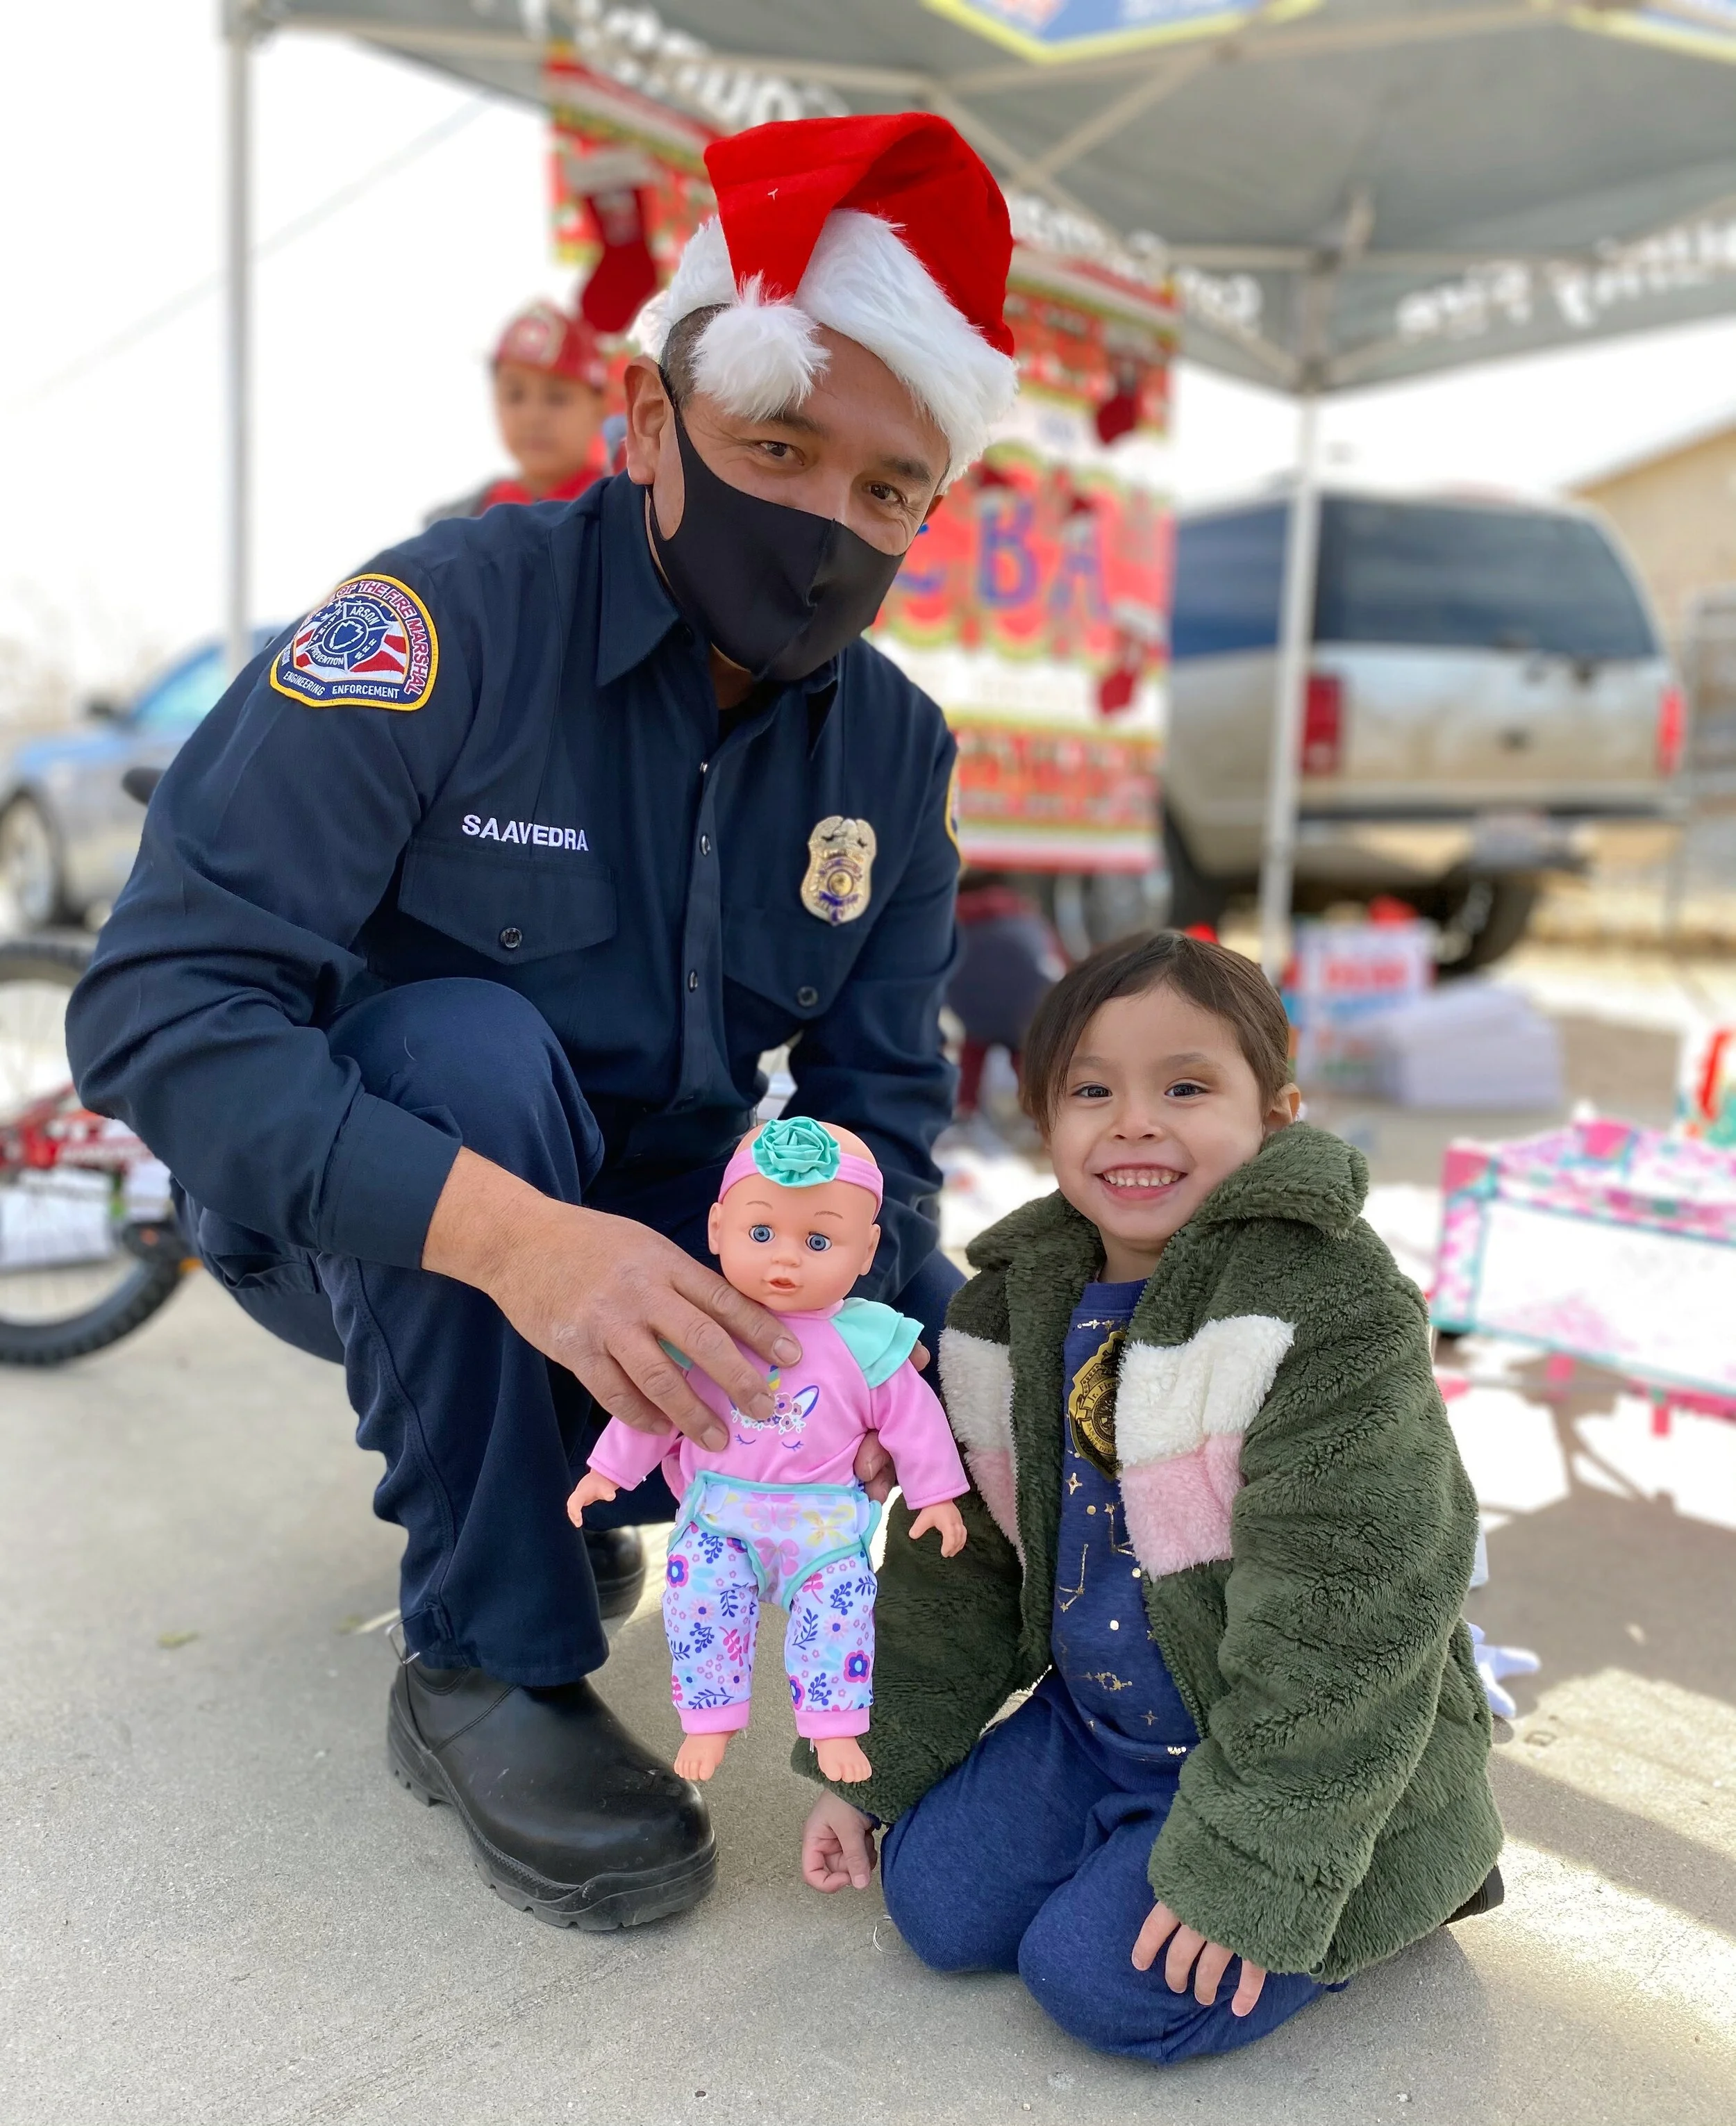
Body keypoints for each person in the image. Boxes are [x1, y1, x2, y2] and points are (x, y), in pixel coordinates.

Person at [65, 112, 1019, 1932]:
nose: (827, 522)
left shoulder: (887, 745)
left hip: (668, 1198)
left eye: (889, 489)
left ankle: (579, 1482)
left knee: (969, 1350)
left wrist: (868, 1333)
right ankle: (481, 1656)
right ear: (651, 422)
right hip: (371, 1211)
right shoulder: (435, 623)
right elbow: (157, 1003)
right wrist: (527, 1252)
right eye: (776, 444)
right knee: (468, 1053)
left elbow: (880, 1095)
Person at [801, 931, 1503, 2063]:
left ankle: (1404, 1869)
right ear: (1044, 1121)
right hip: (1099, 1726)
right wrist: (872, 1768)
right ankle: (1125, 1839)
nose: (1134, 1120)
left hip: (1283, 1748)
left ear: (1275, 1112)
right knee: (931, 1902)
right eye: (1092, 1090)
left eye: (1186, 1085)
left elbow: (1351, 1614)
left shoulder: (1327, 1304)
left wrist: (1258, 1867)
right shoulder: (1006, 1312)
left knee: (1096, 1988)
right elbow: (957, 1566)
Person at [424, 299, 612, 524]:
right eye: (515, 395)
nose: (532, 417)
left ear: (600, 408)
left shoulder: (626, 516)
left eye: (557, 398)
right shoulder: (453, 525)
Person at [944, 870, 1065, 1120]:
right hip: (1027, 1009)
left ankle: (966, 1108)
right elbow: (1056, 959)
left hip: (974, 1010)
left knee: (972, 1057)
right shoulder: (1027, 915)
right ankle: (1037, 1112)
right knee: (1026, 1061)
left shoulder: (952, 920)